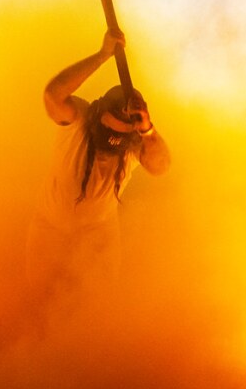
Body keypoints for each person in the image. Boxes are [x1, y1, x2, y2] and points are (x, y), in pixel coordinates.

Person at [24, 29, 170, 324]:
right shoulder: (76, 118)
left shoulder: (133, 143)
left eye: (120, 134)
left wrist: (147, 129)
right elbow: (52, 95)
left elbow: (161, 165)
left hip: (98, 237)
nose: (112, 141)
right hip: (49, 228)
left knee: (96, 313)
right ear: (98, 114)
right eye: (108, 131)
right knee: (38, 305)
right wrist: (103, 55)